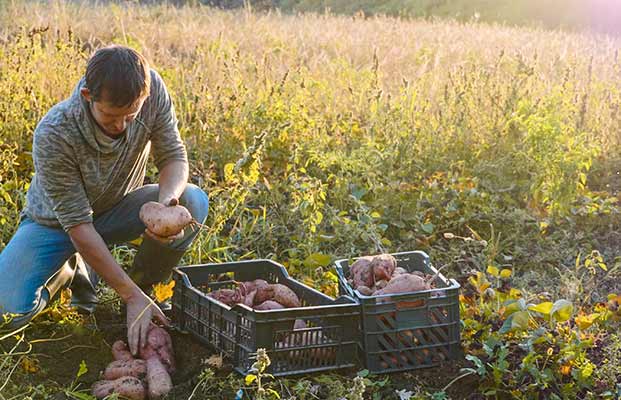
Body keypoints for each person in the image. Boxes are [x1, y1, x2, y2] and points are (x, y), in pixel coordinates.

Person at [0, 45, 209, 355]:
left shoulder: (151, 90)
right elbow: (78, 226)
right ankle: (70, 270)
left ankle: (144, 286)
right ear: (88, 96)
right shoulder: (55, 131)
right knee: (8, 311)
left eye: (131, 116)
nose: (121, 126)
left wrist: (166, 206)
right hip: (56, 226)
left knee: (192, 200)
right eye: (111, 116)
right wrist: (127, 295)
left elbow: (174, 156)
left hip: (116, 209)